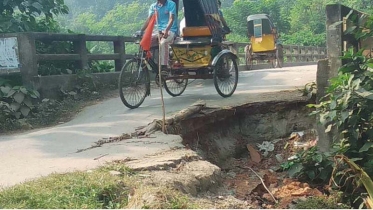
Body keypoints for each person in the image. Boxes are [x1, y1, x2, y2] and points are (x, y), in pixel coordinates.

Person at [141, 0, 178, 72]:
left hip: (170, 29)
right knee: (145, 41)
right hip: (158, 30)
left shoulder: (171, 4)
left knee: (163, 43)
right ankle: (153, 62)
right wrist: (141, 30)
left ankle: (164, 66)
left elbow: (171, 18)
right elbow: (149, 19)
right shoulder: (154, 6)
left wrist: (166, 30)